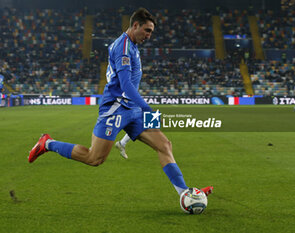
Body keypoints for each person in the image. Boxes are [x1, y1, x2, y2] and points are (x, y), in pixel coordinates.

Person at [28, 8, 213, 197]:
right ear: (135, 25)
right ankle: (47, 143)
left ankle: (185, 195)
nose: (149, 36)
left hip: (132, 108)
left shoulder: (133, 45)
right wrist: (147, 109)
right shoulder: (122, 47)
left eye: (151, 32)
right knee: (94, 158)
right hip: (115, 108)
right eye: (147, 30)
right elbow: (125, 85)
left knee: (164, 145)